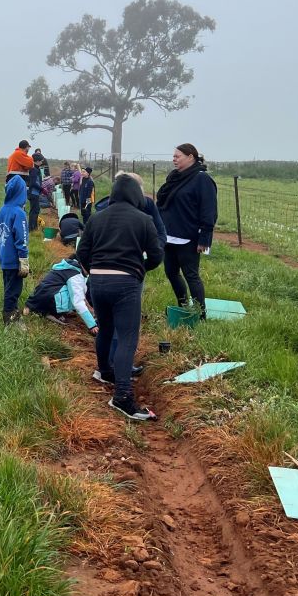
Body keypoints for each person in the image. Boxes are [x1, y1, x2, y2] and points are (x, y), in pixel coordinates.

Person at [76, 174, 164, 421]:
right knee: (127, 337)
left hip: (98, 282)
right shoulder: (144, 220)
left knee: (105, 329)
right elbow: (157, 254)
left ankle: (104, 371)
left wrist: (94, 269)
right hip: (126, 283)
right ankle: (123, 397)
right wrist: (140, 268)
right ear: (137, 195)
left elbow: (81, 251)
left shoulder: (96, 217)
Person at [156, 143, 218, 319]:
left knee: (191, 275)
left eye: (177, 156)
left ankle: (200, 314)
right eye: (174, 156)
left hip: (189, 237)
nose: (174, 159)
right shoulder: (175, 177)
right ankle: (183, 306)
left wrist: (204, 239)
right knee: (171, 272)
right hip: (170, 235)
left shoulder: (202, 179)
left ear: (190, 157)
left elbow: (209, 211)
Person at [25, 257, 98, 334]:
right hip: (49, 301)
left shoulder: (71, 267)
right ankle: (53, 313)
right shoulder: (75, 275)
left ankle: (47, 311)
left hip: (40, 300)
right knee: (75, 295)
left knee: (76, 292)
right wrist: (92, 325)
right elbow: (78, 302)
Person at [0, 176, 30, 325]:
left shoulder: (2, 210)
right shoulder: (19, 213)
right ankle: (10, 321)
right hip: (15, 260)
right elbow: (21, 239)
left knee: (8, 287)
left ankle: (13, 314)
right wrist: (23, 260)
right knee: (13, 291)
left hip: (4, 258)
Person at [27, 162, 43, 231]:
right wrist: (41, 188)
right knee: (34, 211)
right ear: (37, 161)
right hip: (33, 193)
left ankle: (34, 227)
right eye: (41, 161)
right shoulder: (34, 170)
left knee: (36, 210)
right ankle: (32, 228)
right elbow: (33, 183)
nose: (42, 162)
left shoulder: (36, 170)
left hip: (35, 193)